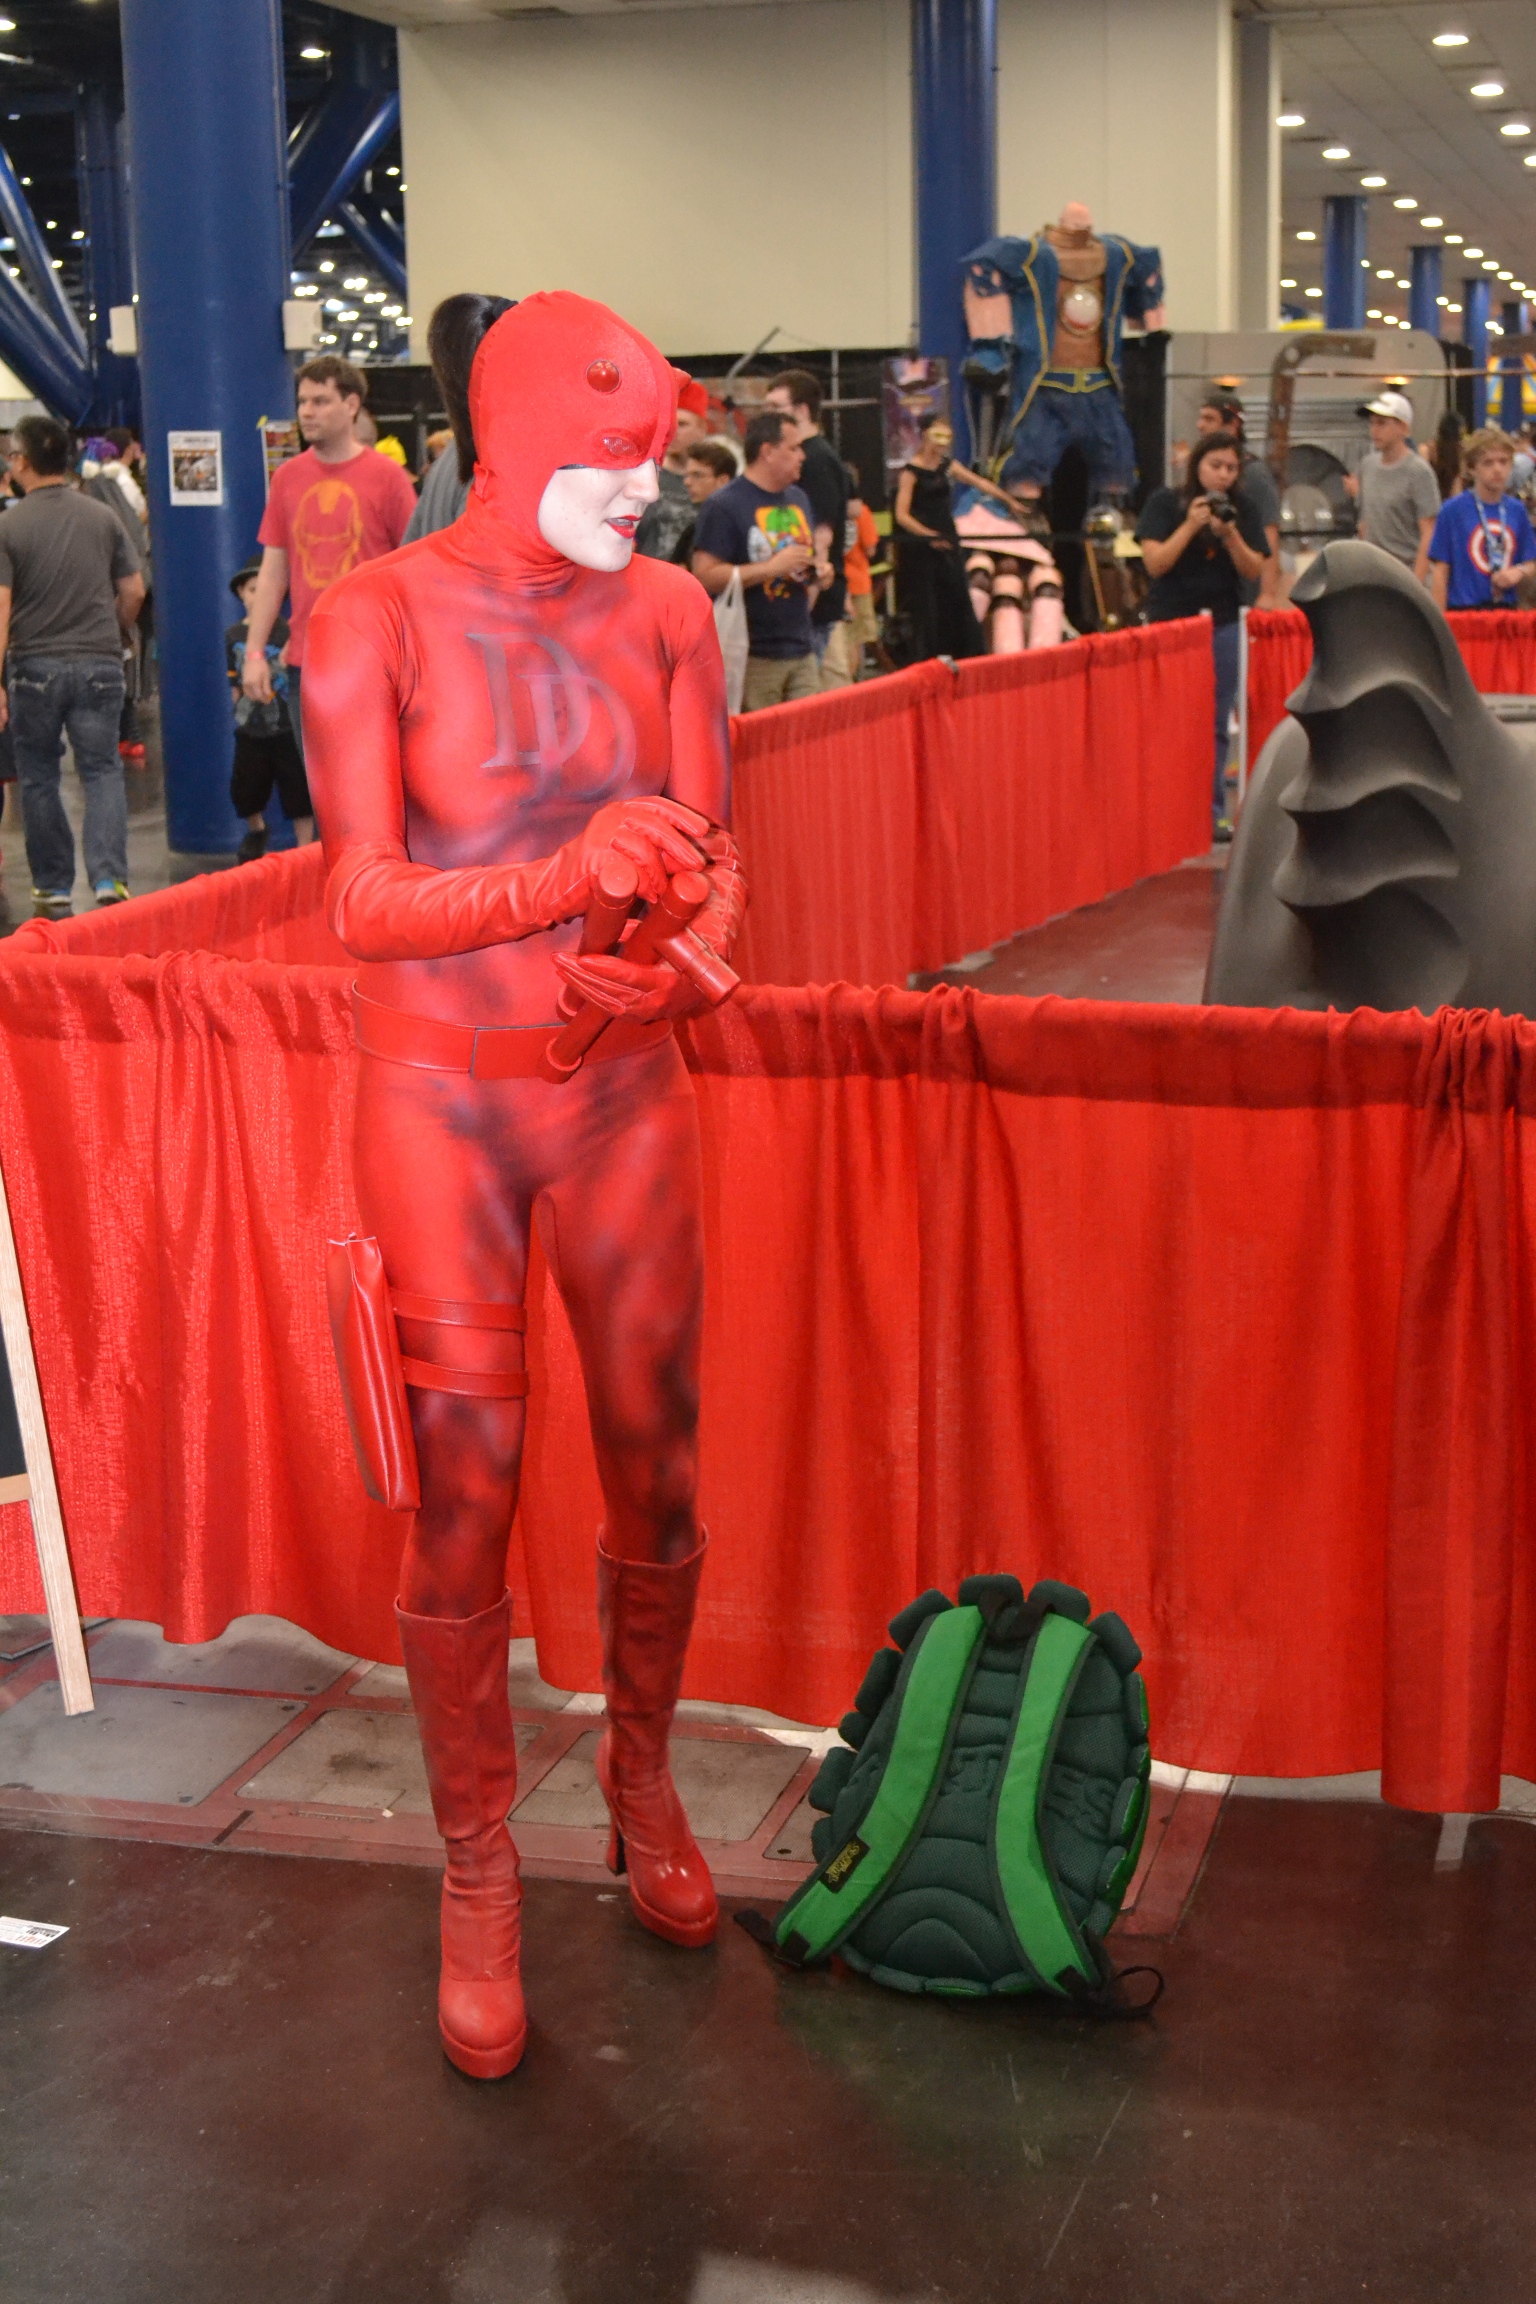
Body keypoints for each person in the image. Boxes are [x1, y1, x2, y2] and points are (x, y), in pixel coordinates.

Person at [302, 288, 745, 2086]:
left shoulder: (672, 614)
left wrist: (680, 952)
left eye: (656, 460)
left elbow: (715, 856)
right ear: (520, 441)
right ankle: (477, 1862)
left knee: (659, 1453)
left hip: (623, 1095)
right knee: (462, 1493)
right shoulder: (374, 615)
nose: (646, 490)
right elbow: (359, 897)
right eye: (615, 457)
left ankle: (639, 1780)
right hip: (438, 1109)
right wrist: (566, 879)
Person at [0, 413, 144, 916]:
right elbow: (134, 590)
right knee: (102, 770)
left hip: (33, 667)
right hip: (99, 664)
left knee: (39, 775)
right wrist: (117, 630)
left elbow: (0, 606)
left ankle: (53, 885)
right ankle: (109, 878)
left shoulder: (8, 525)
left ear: (22, 461)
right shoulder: (101, 517)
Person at [241, 355, 417, 756]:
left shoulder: (388, 478)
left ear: (351, 404)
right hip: (308, 662)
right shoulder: (287, 478)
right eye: (302, 401)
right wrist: (254, 652)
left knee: (377, 779)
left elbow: (414, 571)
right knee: (321, 786)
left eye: (320, 401)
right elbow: (273, 573)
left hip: (376, 660)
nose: (306, 411)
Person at [1136, 430, 1269, 842]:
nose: (1223, 475)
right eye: (1216, 466)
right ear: (1197, 466)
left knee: (1215, 720)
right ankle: (1163, 811)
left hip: (1223, 622)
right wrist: (1190, 526)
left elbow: (1254, 569)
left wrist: (1230, 535)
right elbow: (1155, 563)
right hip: (1173, 622)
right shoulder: (1165, 503)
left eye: (1231, 468)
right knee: (1167, 719)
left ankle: (1210, 813)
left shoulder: (1242, 509)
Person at [691, 407, 821, 710]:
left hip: (802, 646)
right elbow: (704, 575)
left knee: (810, 733)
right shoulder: (724, 505)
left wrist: (817, 570)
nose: (802, 456)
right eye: (793, 448)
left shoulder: (798, 498)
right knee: (762, 737)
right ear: (768, 452)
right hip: (752, 653)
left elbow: (802, 559)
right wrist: (770, 569)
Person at [763, 370, 847, 682]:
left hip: (811, 599)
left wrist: (805, 602)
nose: (768, 415)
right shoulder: (809, 455)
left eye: (776, 407)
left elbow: (821, 536)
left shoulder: (816, 459)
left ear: (801, 411)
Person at [226, 557, 311, 860]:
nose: (258, 597)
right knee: (245, 787)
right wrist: (240, 709)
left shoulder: (288, 631)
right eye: (252, 590)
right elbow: (234, 678)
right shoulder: (234, 636)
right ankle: (256, 828)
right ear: (241, 593)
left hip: (286, 726)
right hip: (252, 727)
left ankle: (305, 846)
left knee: (298, 790)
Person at [893, 414, 984, 662]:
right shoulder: (910, 472)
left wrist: (1008, 501)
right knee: (929, 601)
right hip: (924, 544)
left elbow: (977, 482)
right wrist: (927, 535)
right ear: (924, 434)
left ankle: (965, 652)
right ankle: (930, 655)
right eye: (937, 435)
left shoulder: (946, 465)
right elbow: (902, 515)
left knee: (957, 592)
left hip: (947, 535)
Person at [1426, 427, 1536, 610]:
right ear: (1472, 468)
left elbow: (1530, 562)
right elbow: (1440, 572)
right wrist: (1439, 619)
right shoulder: (1452, 510)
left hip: (1505, 610)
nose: (1497, 469)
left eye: (1503, 462)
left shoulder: (1517, 510)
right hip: (1464, 609)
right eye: (1488, 463)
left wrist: (1519, 571)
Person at [1192, 389, 1280, 608]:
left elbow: (1269, 532)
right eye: (1216, 466)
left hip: (1244, 592)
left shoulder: (1254, 474)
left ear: (1232, 426)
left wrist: (1267, 593)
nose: (1200, 425)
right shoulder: (1198, 476)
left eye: (1209, 419)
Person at [1352, 391, 1442, 581]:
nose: (1374, 430)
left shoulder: (1418, 472)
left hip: (1406, 573)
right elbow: (1365, 523)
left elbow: (1429, 532)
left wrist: (1416, 582)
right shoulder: (1367, 466)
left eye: (1382, 423)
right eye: (1372, 423)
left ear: (1403, 428)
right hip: (1375, 575)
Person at [635, 376, 711, 563]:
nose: (673, 431)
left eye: (683, 424)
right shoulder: (644, 475)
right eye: (670, 423)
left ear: (702, 429)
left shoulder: (716, 481)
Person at [668, 437, 737, 569]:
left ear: (723, 481)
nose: (687, 482)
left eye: (697, 475)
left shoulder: (739, 526)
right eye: (687, 475)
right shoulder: (693, 529)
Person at [843, 464, 880, 670]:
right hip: (858, 581)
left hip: (837, 581)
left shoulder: (829, 509)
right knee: (855, 639)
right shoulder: (862, 512)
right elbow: (870, 549)